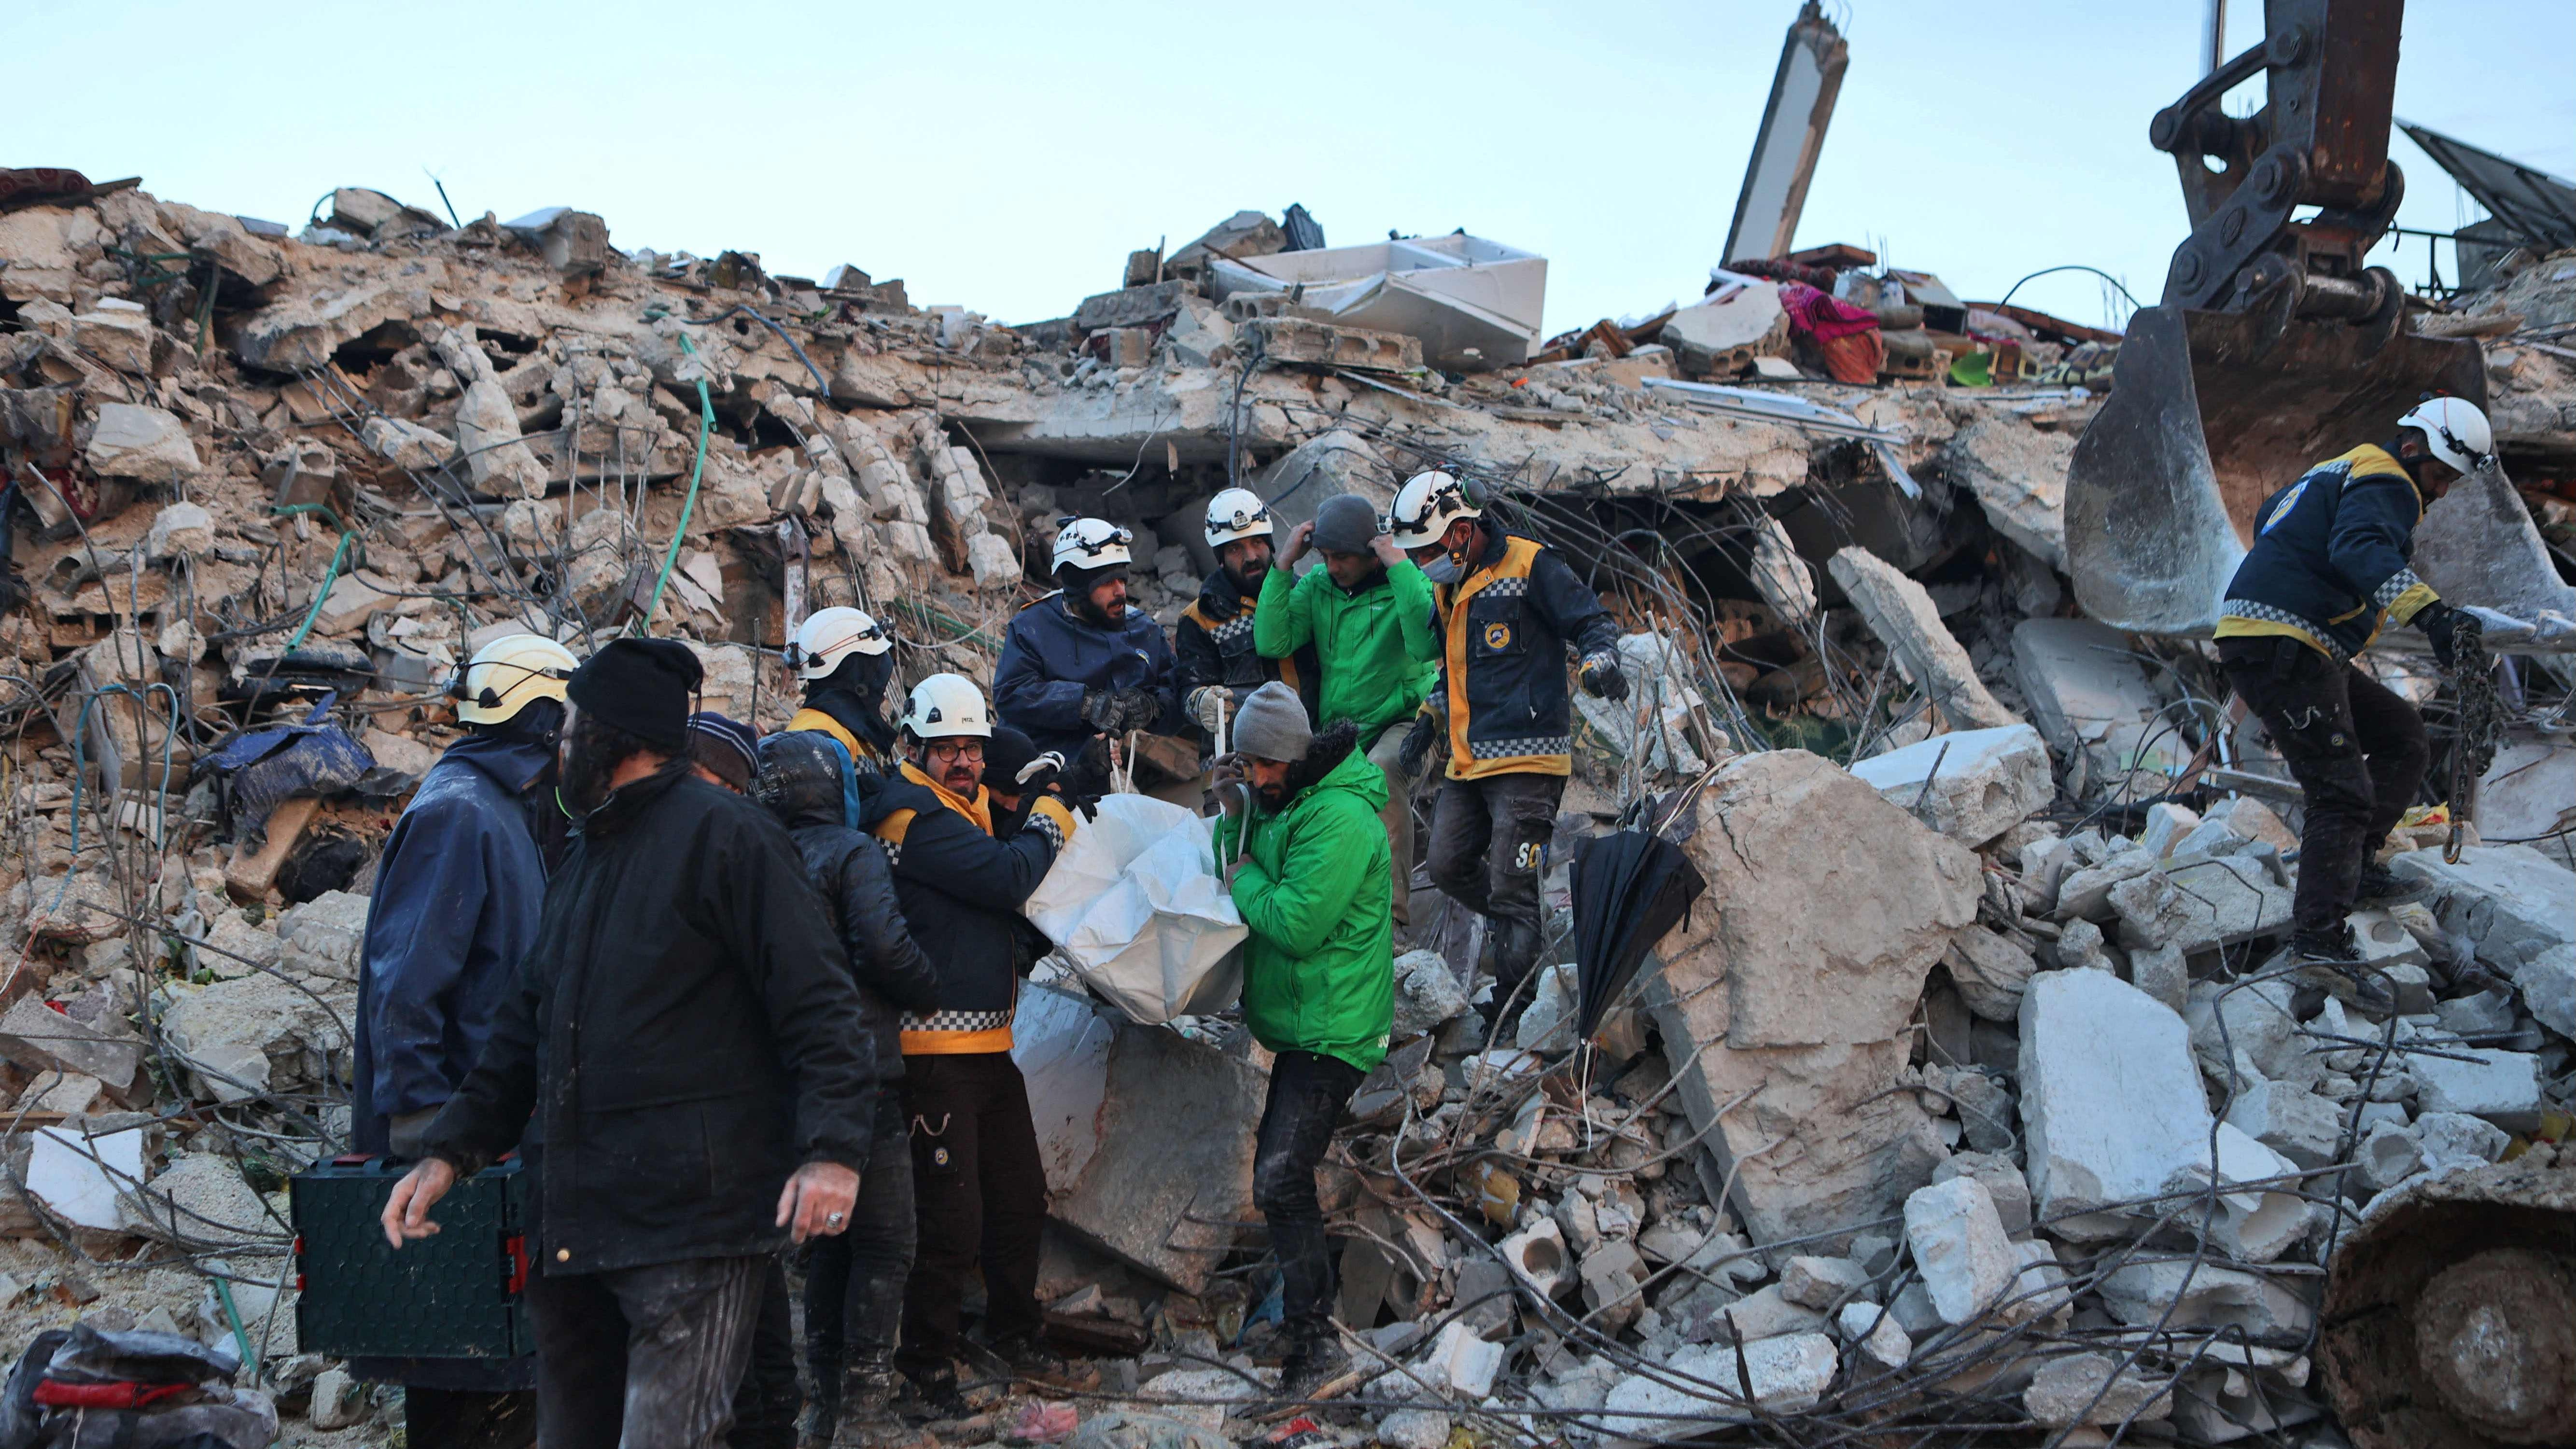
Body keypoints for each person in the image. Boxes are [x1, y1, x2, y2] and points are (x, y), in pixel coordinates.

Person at [381, 637, 880, 1449]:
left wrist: (834, 1152)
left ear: (610, 741)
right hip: (577, 1225)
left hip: (692, 1223)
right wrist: (448, 1154)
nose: (561, 750)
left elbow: (821, 1006)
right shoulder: (586, 857)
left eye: (571, 732)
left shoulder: (733, 839)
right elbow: (521, 1028)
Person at [349, 632, 574, 1449]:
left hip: (493, 1138)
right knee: (454, 1367)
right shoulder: (460, 813)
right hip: (454, 1143)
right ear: (543, 719)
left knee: (505, 1366)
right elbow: (405, 983)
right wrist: (421, 1124)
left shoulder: (509, 808)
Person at [859, 675, 1087, 1412]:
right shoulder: (912, 817)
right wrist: (1053, 807)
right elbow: (1006, 875)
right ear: (915, 749)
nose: (963, 760)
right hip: (933, 1061)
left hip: (986, 1050)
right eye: (946, 747)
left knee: (1019, 1198)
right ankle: (925, 1369)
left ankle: (1014, 1331)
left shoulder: (959, 805)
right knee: (950, 1221)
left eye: (971, 747)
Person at [2214, 396, 2492, 974]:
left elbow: (2271, 519)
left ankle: (2354, 864)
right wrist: (2431, 615)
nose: (2440, 492)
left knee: (2401, 737)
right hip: (2283, 643)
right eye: (2439, 476)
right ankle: (2317, 939)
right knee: (2340, 792)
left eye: (2450, 481)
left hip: (2291, 640)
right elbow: (2356, 547)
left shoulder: (2339, 470)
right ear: (2411, 448)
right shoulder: (2387, 480)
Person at [752, 731, 945, 1449]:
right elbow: (886, 946)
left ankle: (821, 1408)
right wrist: (928, 988)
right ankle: (866, 1413)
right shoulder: (850, 851)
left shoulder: (755, 856)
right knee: (888, 1241)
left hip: (783, 1080)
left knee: (827, 1243)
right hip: (861, 1071)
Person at [1208, 683, 1394, 1399]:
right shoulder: (1291, 802)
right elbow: (1241, 860)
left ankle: (1317, 1346)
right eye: (1245, 765)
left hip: (1336, 1026)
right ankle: (1301, 1324)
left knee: (1282, 1177)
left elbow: (1291, 920)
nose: (1252, 776)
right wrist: (1235, 814)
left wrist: (1246, 872)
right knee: (1282, 1176)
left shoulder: (1340, 818)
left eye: (1257, 767)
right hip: (1304, 1020)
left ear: (1288, 756)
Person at [1388, 471, 1625, 1030]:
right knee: (1446, 865)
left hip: (1528, 760)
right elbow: (1454, 667)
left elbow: (1590, 622)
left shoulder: (1530, 564)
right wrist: (1428, 718)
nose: (1423, 563)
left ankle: (1515, 1010)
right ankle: (1524, 932)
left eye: (1426, 550)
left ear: (1459, 529)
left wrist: (1600, 661)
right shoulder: (1449, 588)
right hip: (1467, 761)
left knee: (1512, 885)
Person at [680, 707, 805, 1449]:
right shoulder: (633, 858)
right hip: (691, 1152)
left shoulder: (749, 864)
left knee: (755, 1326)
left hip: (735, 1142)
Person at [1253, 492, 1440, 927]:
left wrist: (1399, 565)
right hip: (1343, 730)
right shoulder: (1319, 585)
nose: (1333, 566)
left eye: (1342, 558)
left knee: (1382, 771)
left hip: (1406, 721)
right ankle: (1320, 910)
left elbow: (1427, 643)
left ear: (1370, 554)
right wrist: (1284, 566)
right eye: (1325, 556)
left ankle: (1391, 921)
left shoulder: (1405, 585)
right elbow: (1272, 640)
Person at [994, 517, 1181, 792]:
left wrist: (1152, 707)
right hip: (1035, 775)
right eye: (1107, 583)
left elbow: (1176, 696)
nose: (1121, 592)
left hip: (1103, 774)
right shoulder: (1032, 627)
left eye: (1122, 580)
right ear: (1077, 587)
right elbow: (1011, 693)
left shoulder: (1143, 631)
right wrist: (1084, 703)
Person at [1176, 488, 1316, 738]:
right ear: (1220, 558)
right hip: (1241, 759)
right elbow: (1188, 689)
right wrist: (1199, 702)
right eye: (1235, 549)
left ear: (1270, 543)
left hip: (1310, 745)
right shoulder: (1200, 617)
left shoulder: (1303, 594)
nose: (1251, 557)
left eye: (1257, 542)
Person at [785, 606, 900, 774]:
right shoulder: (825, 741)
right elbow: (867, 797)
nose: (882, 697)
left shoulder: (832, 730)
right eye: (875, 679)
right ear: (856, 677)